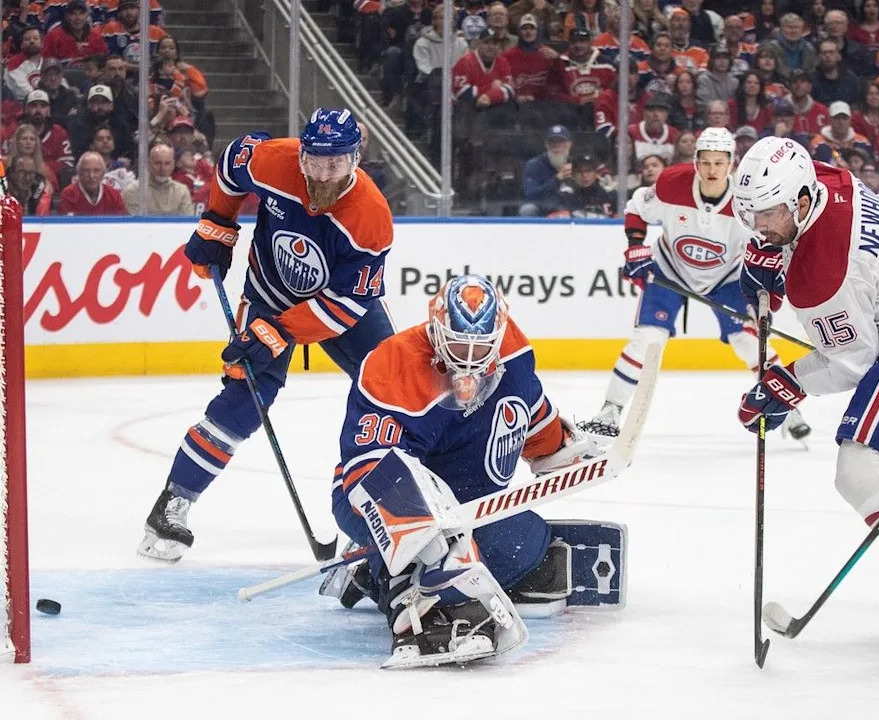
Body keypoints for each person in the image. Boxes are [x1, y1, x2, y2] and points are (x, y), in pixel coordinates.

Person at [137, 108, 396, 562]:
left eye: (334, 163)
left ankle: (390, 508)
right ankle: (173, 502)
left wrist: (278, 331)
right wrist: (220, 222)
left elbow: (345, 306)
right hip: (268, 292)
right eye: (314, 160)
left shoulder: (371, 216)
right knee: (245, 395)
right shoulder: (274, 159)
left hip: (339, 306)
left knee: (392, 385)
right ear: (302, 153)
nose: (322, 173)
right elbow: (232, 163)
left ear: (356, 158)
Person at [733, 136, 879, 653]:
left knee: (862, 465)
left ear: (800, 200)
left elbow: (851, 361)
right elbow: (791, 240)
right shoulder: (822, 176)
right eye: (751, 215)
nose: (760, 227)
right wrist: (772, 254)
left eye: (768, 216)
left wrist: (784, 384)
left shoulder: (822, 274)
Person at [326, 274, 611, 667]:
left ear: (499, 334)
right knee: (438, 551)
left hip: (472, 507)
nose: (470, 359)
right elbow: (370, 470)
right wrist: (418, 536)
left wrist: (560, 449)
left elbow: (529, 409)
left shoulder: (513, 350)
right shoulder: (393, 365)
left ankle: (381, 571)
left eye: (481, 347)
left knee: (527, 546)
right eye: (459, 344)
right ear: (437, 329)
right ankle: (396, 576)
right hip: (375, 495)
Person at [578, 128, 810, 442]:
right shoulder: (672, 184)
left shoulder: (748, 201)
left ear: (732, 164)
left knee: (749, 342)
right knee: (647, 340)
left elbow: (768, 246)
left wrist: (764, 289)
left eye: (719, 162)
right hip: (670, 270)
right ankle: (610, 410)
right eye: (706, 162)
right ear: (696, 162)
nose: (712, 170)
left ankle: (786, 406)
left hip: (727, 278)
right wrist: (635, 246)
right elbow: (636, 207)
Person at [121, 143, 195, 216]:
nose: (162, 168)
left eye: (167, 163)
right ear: (148, 164)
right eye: (157, 163)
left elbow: (186, 223)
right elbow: (135, 224)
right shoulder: (133, 190)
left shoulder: (182, 191)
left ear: (173, 165)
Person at [58, 151, 127, 215]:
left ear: (103, 173)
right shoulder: (69, 194)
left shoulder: (114, 195)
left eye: (96, 170)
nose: (91, 176)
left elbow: (122, 224)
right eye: (86, 170)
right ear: (79, 173)